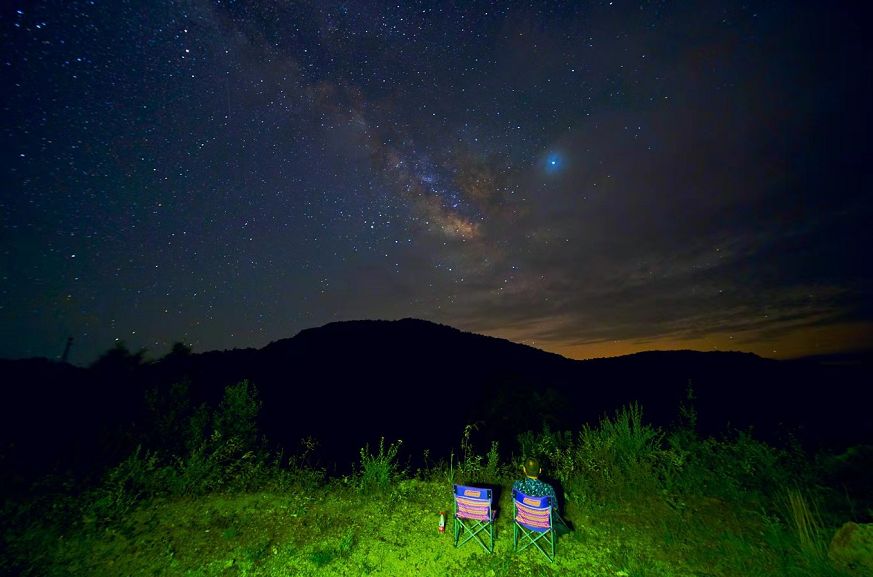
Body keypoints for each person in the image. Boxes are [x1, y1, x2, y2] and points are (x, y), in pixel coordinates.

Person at [512, 457, 571, 536]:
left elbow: (514, 502)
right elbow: (555, 508)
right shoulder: (548, 488)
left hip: (523, 519)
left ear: (524, 469)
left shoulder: (517, 485)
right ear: (540, 470)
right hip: (544, 523)